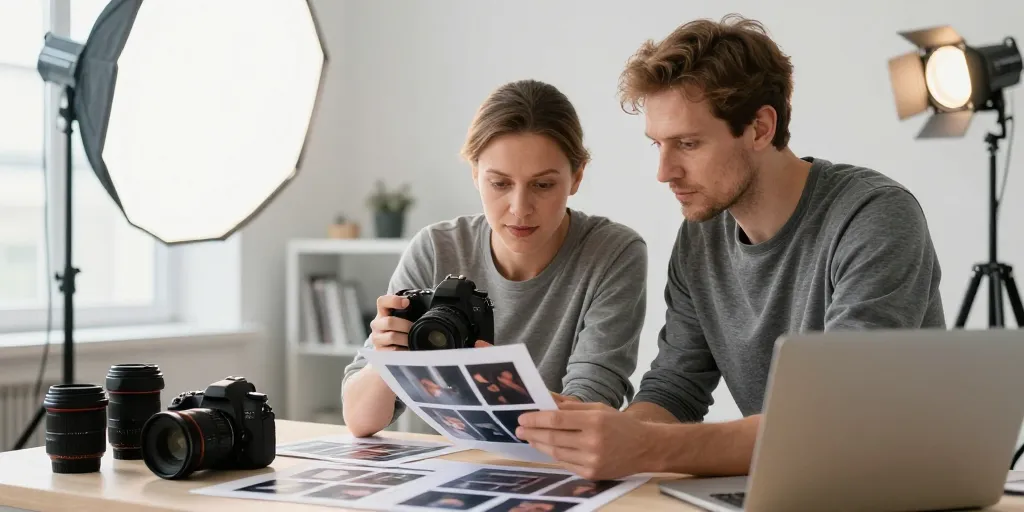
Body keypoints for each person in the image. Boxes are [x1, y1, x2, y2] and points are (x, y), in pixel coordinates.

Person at [515, 14, 945, 480]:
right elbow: (676, 389)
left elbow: (837, 418)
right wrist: (599, 438)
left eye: (688, 143)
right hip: (790, 483)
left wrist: (647, 446)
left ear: (760, 128)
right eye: (658, 143)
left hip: (894, 486)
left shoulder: (873, 216)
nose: (664, 171)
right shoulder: (701, 236)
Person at [340, 79, 648, 437]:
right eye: (500, 183)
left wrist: (497, 389)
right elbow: (360, 421)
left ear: (577, 176)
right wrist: (387, 359)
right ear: (475, 174)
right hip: (458, 468)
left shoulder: (613, 253)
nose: (520, 209)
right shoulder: (437, 249)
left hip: (558, 464)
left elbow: (589, 406)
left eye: (543, 185)